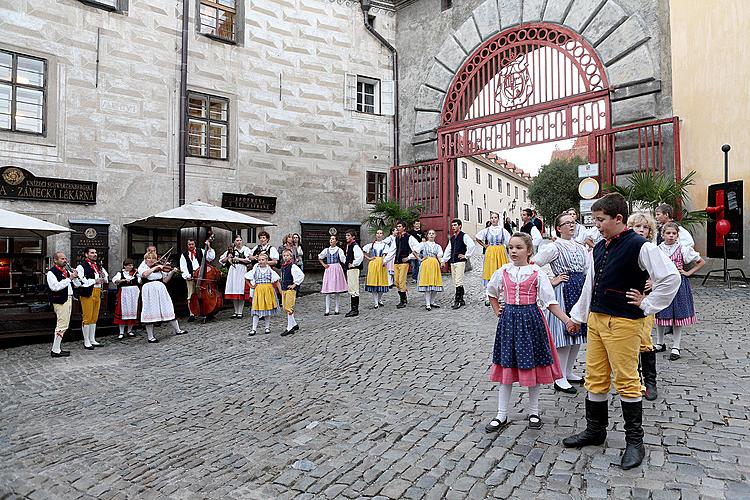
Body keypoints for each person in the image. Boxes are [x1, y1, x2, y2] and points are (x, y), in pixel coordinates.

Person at [564, 193, 680, 470]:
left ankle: (635, 441)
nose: (597, 226)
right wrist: (577, 316)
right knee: (595, 377)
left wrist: (648, 303)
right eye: (594, 220)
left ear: (619, 219)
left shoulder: (641, 246)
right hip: (597, 320)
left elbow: (671, 278)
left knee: (627, 380)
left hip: (624, 322)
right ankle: (596, 430)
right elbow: (589, 285)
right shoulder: (599, 248)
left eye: (601, 220)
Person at [484, 232, 572, 432]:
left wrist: (567, 320)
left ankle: (534, 411)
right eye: (511, 248)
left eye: (518, 247)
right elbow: (491, 291)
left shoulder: (536, 272)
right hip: (509, 324)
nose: (514, 251)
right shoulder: (503, 271)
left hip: (532, 322)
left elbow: (550, 302)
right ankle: (501, 414)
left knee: (532, 366)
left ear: (529, 251)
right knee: (507, 367)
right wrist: (497, 309)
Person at [532, 212, 589, 394]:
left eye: (573, 222)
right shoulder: (553, 247)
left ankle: (569, 371)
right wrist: (551, 280)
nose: (571, 225)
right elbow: (533, 265)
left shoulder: (581, 247)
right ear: (558, 228)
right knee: (565, 335)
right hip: (563, 291)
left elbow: (587, 269)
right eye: (567, 223)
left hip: (579, 289)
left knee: (578, 333)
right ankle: (559, 377)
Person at [654, 222, 705, 361]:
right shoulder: (658, 249)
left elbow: (701, 261)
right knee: (660, 313)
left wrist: (688, 272)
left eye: (673, 233)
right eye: (668, 233)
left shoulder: (683, 249)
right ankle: (660, 342)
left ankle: (676, 346)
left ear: (677, 235)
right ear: (662, 235)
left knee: (678, 316)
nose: (671, 236)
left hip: (678, 284)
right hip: (663, 284)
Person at [627, 212, 660, 400]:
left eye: (645, 227)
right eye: (637, 226)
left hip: (646, 301)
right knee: (629, 341)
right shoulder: (626, 247)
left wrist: (653, 283)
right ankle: (635, 379)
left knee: (645, 339)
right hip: (627, 300)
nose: (641, 230)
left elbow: (665, 275)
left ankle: (650, 381)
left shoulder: (652, 250)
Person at [139, 251, 187, 343]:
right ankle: (150, 337)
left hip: (160, 288)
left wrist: (172, 272)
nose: (151, 260)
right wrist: (156, 267)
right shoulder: (143, 267)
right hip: (149, 290)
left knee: (167, 307)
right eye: (149, 258)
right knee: (150, 310)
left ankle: (178, 330)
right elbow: (145, 274)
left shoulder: (160, 268)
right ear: (145, 260)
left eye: (153, 258)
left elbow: (165, 280)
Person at [46, 251, 80, 357]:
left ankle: (57, 348)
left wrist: (75, 276)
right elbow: (54, 287)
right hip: (60, 300)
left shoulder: (67, 271)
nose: (65, 261)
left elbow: (77, 285)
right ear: (55, 260)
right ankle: (55, 350)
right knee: (61, 324)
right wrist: (69, 279)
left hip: (68, 298)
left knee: (64, 324)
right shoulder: (51, 273)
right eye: (62, 259)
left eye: (65, 258)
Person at [475, 212, 511, 306]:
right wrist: (484, 245)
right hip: (490, 252)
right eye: (492, 218)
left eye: (495, 217)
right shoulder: (487, 230)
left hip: (500, 252)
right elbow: (477, 237)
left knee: (501, 272)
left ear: (498, 219)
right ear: (490, 219)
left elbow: (509, 242)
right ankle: (488, 295)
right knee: (489, 272)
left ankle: (501, 296)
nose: (493, 219)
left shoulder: (503, 230)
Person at [76, 247, 109, 349]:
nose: (95, 254)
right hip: (87, 292)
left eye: (95, 253)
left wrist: (103, 277)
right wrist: (95, 280)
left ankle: (92, 339)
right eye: (92, 253)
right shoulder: (81, 266)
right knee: (87, 316)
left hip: (97, 291)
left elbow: (106, 279)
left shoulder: (98, 266)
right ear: (86, 254)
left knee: (94, 317)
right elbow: (81, 281)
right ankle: (86, 341)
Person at [442, 219, 476, 310]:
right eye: (452, 225)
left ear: (460, 226)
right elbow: (448, 249)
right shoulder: (452, 238)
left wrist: (466, 255)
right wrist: (444, 260)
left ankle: (457, 301)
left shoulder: (464, 236)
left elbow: (472, 245)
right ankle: (461, 299)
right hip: (453, 261)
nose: (453, 227)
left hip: (460, 261)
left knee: (458, 280)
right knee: (455, 281)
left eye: (455, 225)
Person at [180, 237, 215, 322]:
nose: (191, 246)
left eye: (192, 244)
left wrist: (209, 247)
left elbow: (211, 257)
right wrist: (187, 275)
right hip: (191, 277)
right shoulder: (184, 255)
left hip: (202, 277)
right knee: (191, 295)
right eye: (189, 244)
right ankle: (192, 314)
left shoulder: (201, 251)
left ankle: (206, 312)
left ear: (195, 244)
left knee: (204, 295)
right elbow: (183, 267)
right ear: (187, 245)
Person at [245, 253, 281, 336]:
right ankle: (254, 329)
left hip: (268, 290)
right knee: (256, 310)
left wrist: (281, 292)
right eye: (259, 260)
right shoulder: (255, 269)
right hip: (259, 291)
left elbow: (277, 280)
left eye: (262, 260)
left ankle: (267, 327)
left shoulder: (270, 270)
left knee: (267, 309)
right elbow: (246, 277)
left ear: (266, 261)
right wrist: (251, 286)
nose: (260, 261)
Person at [220, 235, 252, 319]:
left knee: (240, 289)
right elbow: (221, 260)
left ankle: (240, 312)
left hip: (241, 270)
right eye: (237, 240)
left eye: (240, 240)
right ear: (234, 242)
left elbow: (248, 260)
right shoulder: (231, 250)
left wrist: (238, 259)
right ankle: (235, 311)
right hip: (233, 270)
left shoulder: (246, 249)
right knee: (234, 289)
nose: (239, 242)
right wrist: (228, 257)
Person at [413, 229, 444, 310]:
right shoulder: (423, 244)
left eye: (433, 233)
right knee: (427, 283)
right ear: (427, 236)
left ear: (435, 235)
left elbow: (439, 256)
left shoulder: (438, 246)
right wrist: (420, 259)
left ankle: (432, 301)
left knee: (435, 283)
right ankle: (427, 304)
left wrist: (441, 262)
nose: (431, 235)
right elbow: (414, 251)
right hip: (426, 265)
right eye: (429, 233)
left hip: (434, 265)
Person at [392, 221, 420, 309]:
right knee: (396, 281)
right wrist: (385, 260)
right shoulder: (396, 238)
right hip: (397, 262)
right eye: (397, 227)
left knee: (401, 281)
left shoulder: (409, 237)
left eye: (400, 226)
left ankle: (403, 300)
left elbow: (417, 247)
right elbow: (392, 250)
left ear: (404, 227)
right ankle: (404, 296)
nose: (398, 228)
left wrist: (409, 257)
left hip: (404, 262)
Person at [318, 235, 347, 315]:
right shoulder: (326, 250)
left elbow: (343, 259)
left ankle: (336, 309)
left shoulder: (339, 250)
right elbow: (320, 257)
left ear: (336, 241)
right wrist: (323, 264)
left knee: (337, 290)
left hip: (337, 268)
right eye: (330, 239)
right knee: (328, 290)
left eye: (333, 239)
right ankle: (327, 309)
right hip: (329, 269)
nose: (331, 240)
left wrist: (348, 262)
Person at [112, 259, 140, 339]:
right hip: (124, 293)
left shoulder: (135, 273)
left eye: (132, 265)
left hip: (134, 293)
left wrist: (139, 274)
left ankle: (129, 330)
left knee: (132, 311)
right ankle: (121, 332)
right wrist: (123, 280)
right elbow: (115, 281)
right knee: (123, 311)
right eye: (129, 265)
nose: (131, 267)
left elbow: (140, 281)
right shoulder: (120, 273)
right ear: (125, 266)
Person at [278, 249, 304, 336]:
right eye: (284, 255)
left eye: (287, 255)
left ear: (291, 256)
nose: (285, 257)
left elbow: (301, 275)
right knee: (285, 307)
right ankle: (294, 324)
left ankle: (289, 328)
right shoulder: (283, 266)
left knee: (289, 307)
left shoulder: (293, 266)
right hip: (284, 289)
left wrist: (295, 284)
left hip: (290, 289)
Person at [362, 229, 391, 308]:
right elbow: (363, 251)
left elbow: (385, 255)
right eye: (377, 233)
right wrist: (369, 258)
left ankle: (379, 299)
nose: (379, 235)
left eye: (380, 233)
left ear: (383, 235)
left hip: (381, 263)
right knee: (373, 282)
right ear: (375, 235)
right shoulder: (372, 245)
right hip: (373, 264)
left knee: (382, 282)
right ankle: (375, 302)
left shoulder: (385, 245)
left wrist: (384, 261)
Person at [343, 229, 364, 317]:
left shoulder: (355, 246)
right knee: (351, 288)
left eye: (349, 235)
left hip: (354, 269)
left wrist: (353, 264)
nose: (347, 237)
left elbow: (360, 256)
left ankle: (355, 309)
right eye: (346, 235)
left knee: (354, 288)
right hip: (350, 269)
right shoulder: (349, 245)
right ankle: (353, 308)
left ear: (353, 237)